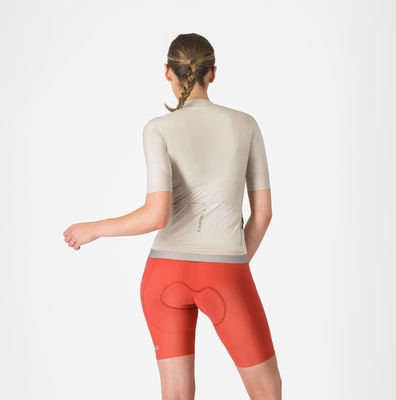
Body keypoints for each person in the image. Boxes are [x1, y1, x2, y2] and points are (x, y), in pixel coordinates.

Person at [63, 33, 282, 400]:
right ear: (213, 73)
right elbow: (263, 215)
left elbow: (156, 215)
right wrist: (232, 268)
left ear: (168, 71)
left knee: (176, 395)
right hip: (225, 271)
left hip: (163, 274)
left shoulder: (157, 128)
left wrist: (94, 229)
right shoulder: (246, 124)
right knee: (267, 391)